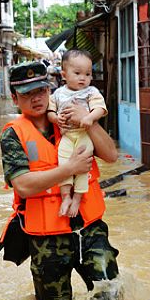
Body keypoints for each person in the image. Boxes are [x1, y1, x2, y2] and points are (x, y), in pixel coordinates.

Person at [0, 60, 120, 300]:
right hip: (47, 240)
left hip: (89, 228)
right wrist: (69, 169)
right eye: (27, 94)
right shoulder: (13, 135)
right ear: (14, 98)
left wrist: (89, 122)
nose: (36, 99)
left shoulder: (70, 116)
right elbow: (23, 184)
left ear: (50, 90)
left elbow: (110, 155)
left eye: (41, 91)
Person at [47, 49, 108, 218]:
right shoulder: (58, 93)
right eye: (78, 73)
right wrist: (55, 119)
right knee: (64, 163)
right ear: (64, 75)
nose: (83, 78)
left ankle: (77, 198)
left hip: (83, 135)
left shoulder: (91, 92)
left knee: (82, 167)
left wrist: (89, 118)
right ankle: (66, 196)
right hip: (67, 135)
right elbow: (50, 111)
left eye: (88, 74)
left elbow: (100, 108)